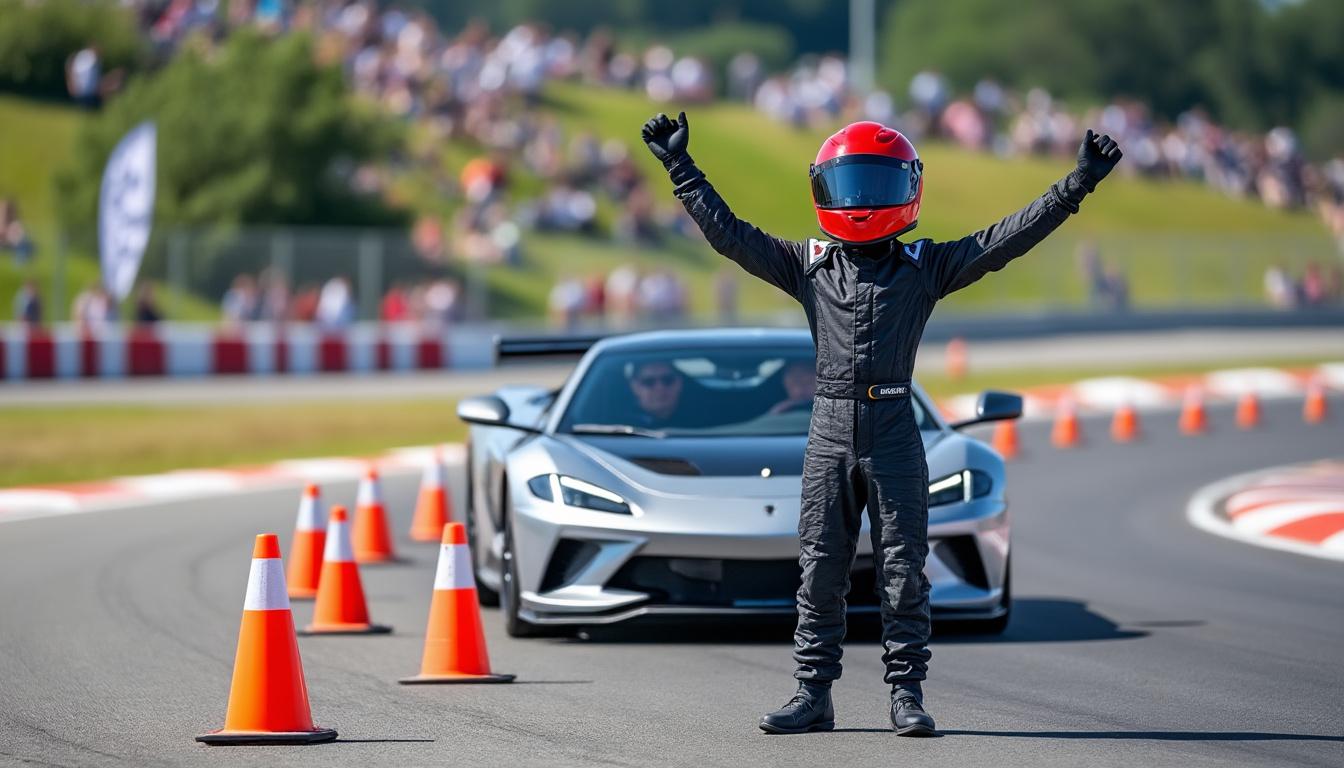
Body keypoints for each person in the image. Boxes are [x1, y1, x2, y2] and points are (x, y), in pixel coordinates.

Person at [643, 111, 1121, 736]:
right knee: (820, 566)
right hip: (830, 425)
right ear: (823, 190)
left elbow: (1007, 238)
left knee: (902, 568)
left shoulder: (926, 268)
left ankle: (907, 697)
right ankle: (812, 694)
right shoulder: (807, 265)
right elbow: (730, 235)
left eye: (877, 185)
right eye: (850, 185)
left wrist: (1078, 182)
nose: (863, 200)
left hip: (895, 425)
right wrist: (680, 167)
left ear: (909, 190)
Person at [626, 360, 684, 427]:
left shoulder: (697, 420)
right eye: (649, 381)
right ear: (635, 387)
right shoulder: (619, 428)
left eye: (667, 380)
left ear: (679, 383)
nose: (660, 388)